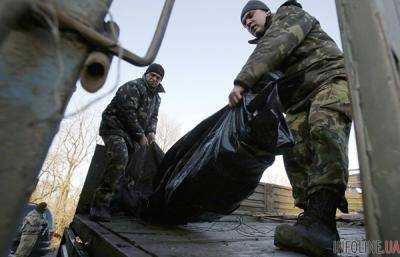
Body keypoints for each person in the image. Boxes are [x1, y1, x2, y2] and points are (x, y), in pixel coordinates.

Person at [230, 1, 352, 256]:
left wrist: (242, 82)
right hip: (297, 102)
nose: (248, 23)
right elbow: (263, 83)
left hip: (328, 80)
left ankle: (322, 216)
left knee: (324, 131)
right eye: (244, 23)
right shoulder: (268, 47)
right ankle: (313, 219)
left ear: (267, 12)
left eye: (251, 15)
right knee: (292, 149)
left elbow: (276, 43)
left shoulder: (289, 14)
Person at [90, 63, 166, 222]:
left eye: (158, 78)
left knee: (134, 169)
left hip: (133, 137)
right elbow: (127, 112)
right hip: (114, 129)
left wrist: (151, 132)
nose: (154, 79)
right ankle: (99, 205)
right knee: (120, 158)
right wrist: (140, 134)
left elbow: (153, 118)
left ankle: (117, 205)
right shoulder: (133, 87)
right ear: (146, 74)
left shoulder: (156, 98)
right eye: (152, 75)